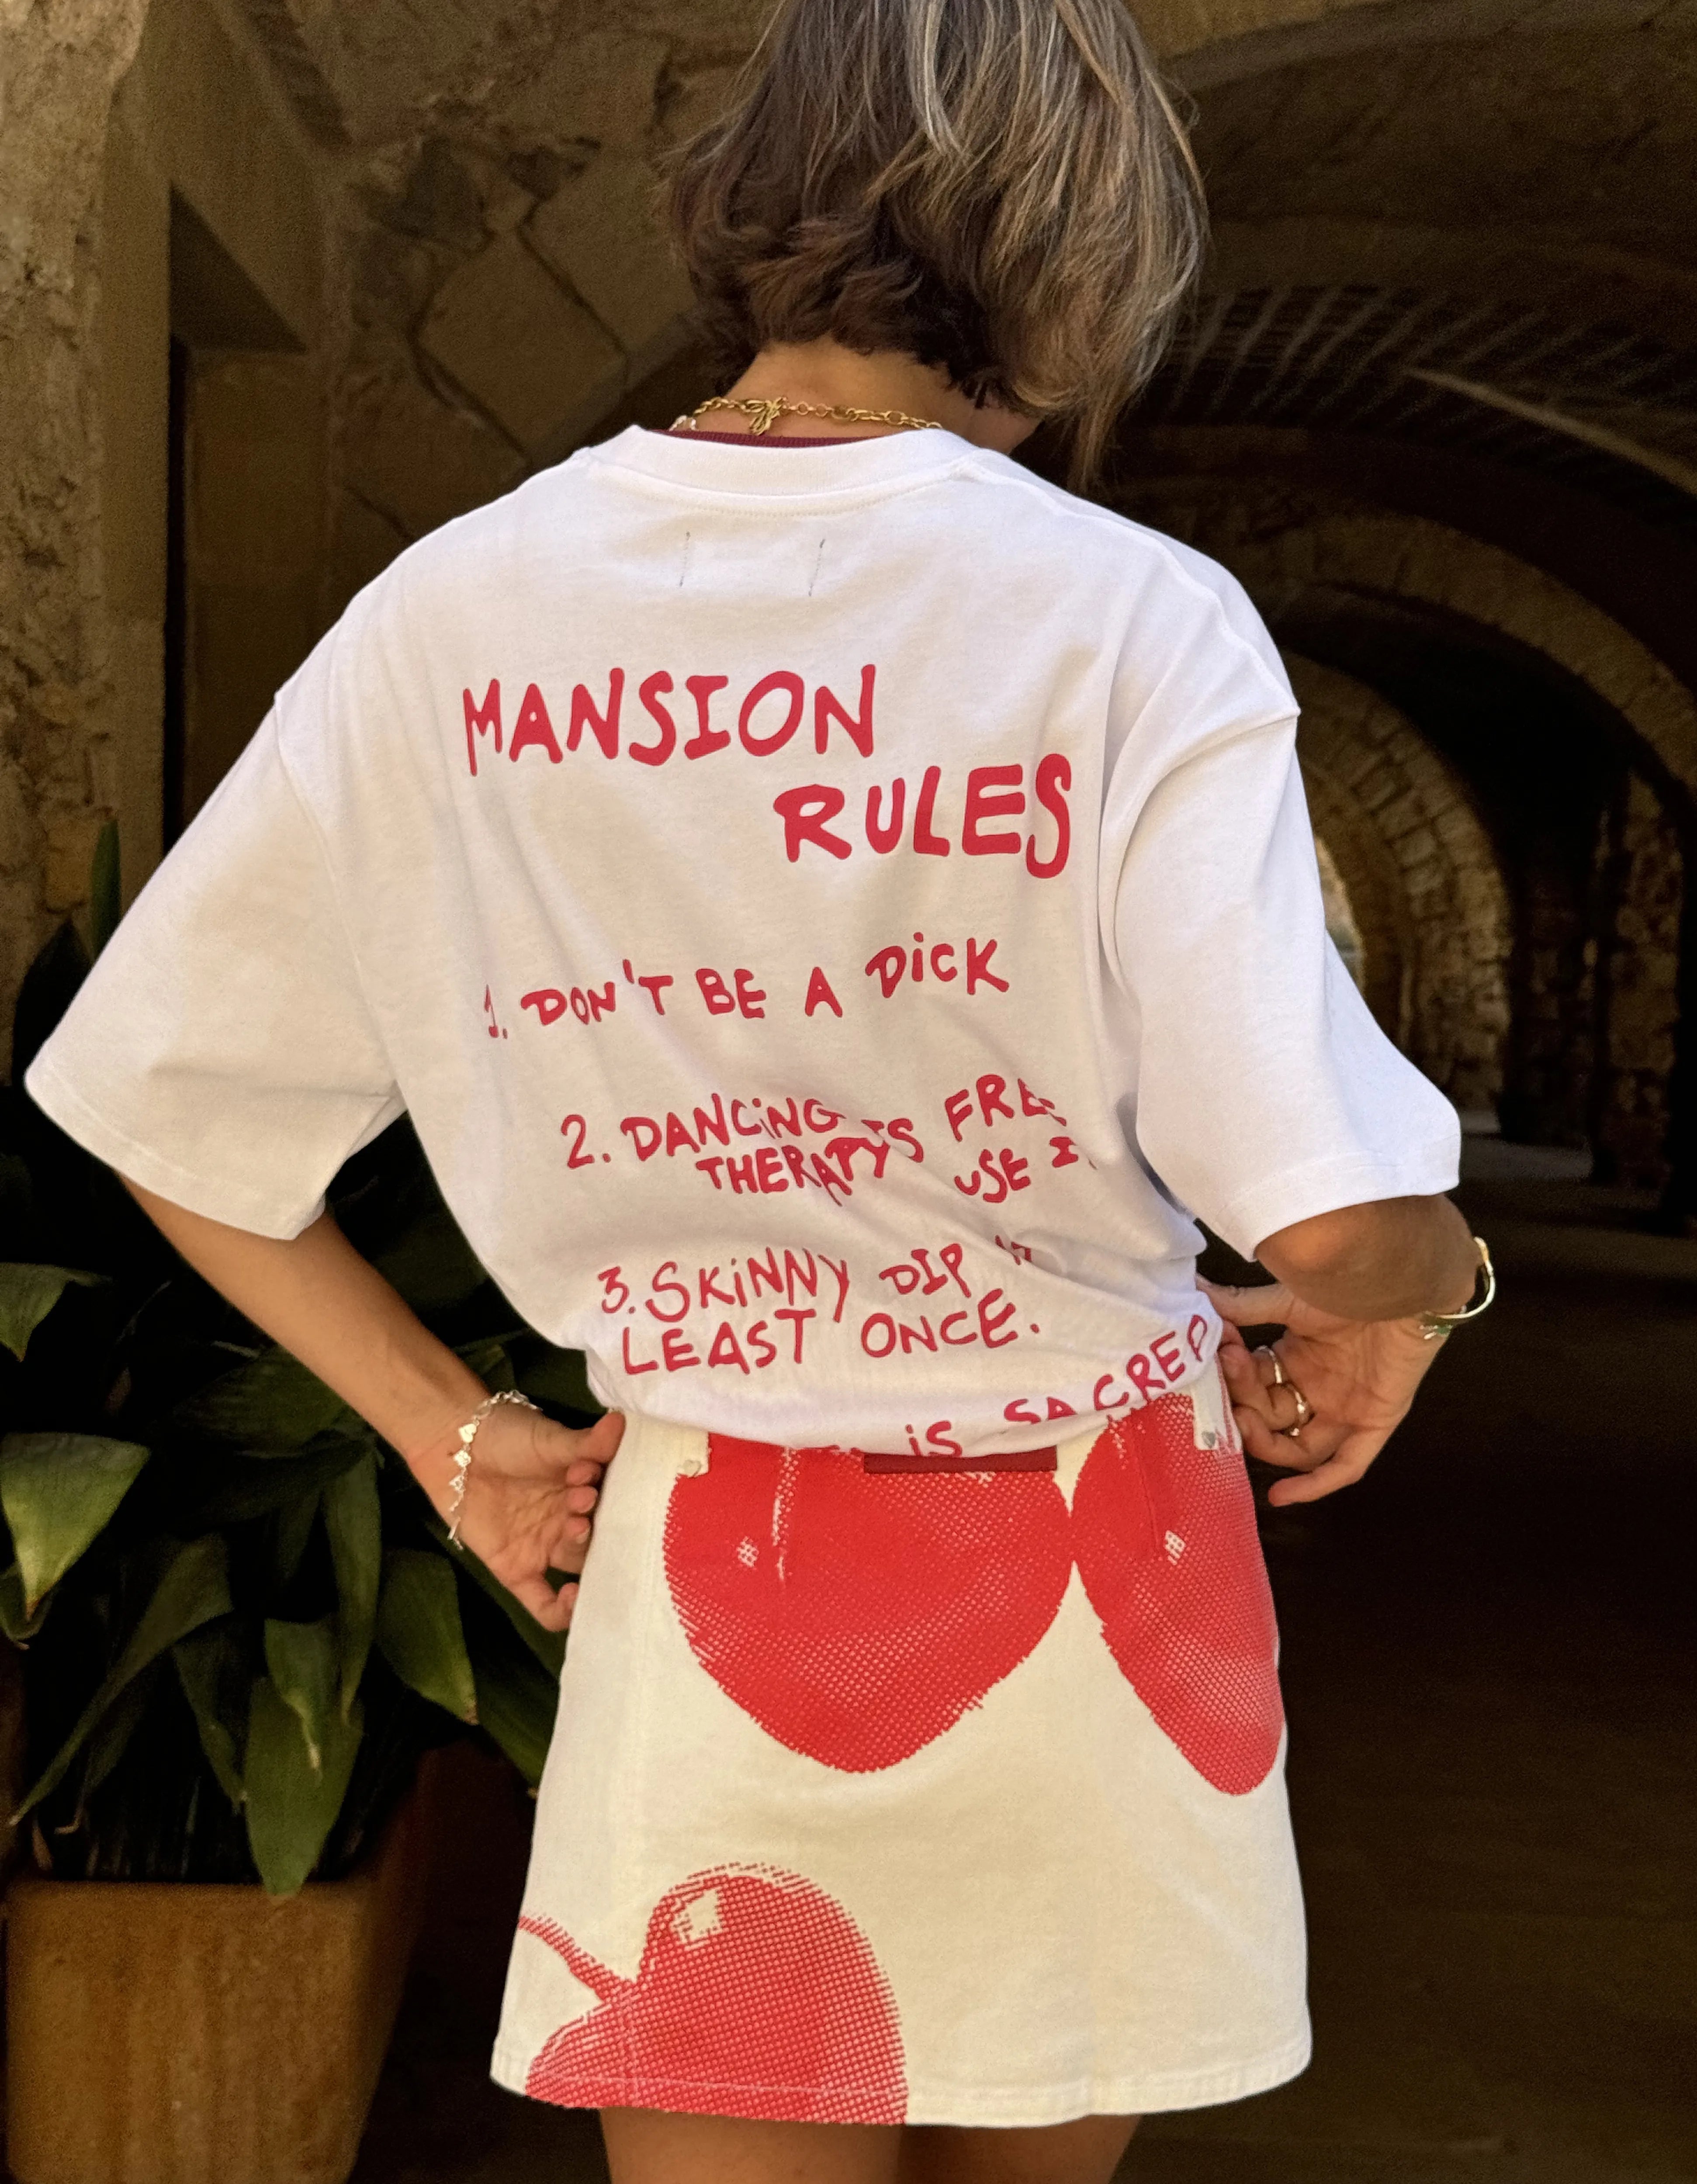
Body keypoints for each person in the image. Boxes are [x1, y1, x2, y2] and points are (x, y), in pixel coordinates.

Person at [26, 1, 1490, 2178]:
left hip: (716, 1558)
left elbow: (167, 1105)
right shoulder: (1132, 623)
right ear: (1081, 254)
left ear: (754, 199)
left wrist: (456, 1438)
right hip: (1103, 1566)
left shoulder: (457, 615)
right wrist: (1428, 1285)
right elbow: (1330, 1212)